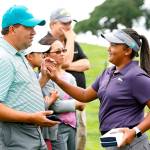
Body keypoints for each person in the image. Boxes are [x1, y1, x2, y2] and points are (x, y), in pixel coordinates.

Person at [46, 28, 150, 150]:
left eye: (113, 45)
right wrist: (57, 79)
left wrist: (135, 131)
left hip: (132, 144)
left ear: (127, 50)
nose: (108, 48)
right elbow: (84, 95)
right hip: (112, 142)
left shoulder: (136, 77)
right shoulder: (107, 73)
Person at [0, 5, 59, 150]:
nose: (34, 32)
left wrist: (44, 78)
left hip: (31, 135)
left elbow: (18, 94)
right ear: (12, 29)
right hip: (16, 137)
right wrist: (31, 118)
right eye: (28, 27)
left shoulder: (17, 55)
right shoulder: (4, 58)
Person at [39, 8, 90, 150]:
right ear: (53, 24)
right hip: (60, 118)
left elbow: (86, 64)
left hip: (75, 111)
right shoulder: (45, 42)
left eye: (70, 23)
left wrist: (68, 66)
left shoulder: (70, 44)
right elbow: (66, 62)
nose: (68, 27)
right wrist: (71, 39)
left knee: (80, 141)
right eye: (64, 23)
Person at [42, 39, 85, 150]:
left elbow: (79, 101)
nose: (62, 54)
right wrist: (76, 103)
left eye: (63, 50)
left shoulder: (70, 78)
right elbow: (55, 106)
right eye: (57, 51)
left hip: (73, 126)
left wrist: (76, 102)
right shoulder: (46, 78)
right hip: (57, 127)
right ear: (46, 55)